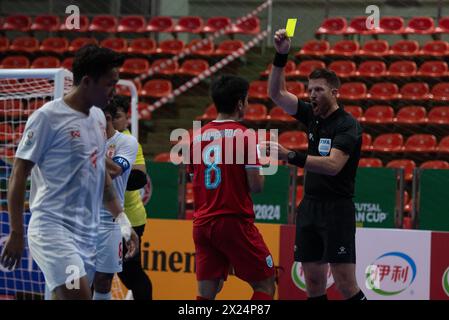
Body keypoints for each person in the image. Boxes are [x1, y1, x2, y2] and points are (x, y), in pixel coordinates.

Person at [0, 45, 138, 300]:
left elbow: (101, 176)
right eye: (110, 84)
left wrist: (122, 220)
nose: (114, 92)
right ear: (87, 81)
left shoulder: (98, 118)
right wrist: (17, 231)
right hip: (52, 230)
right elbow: (19, 173)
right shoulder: (47, 117)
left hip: (87, 233)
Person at [264, 29, 366, 300]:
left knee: (345, 284)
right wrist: (281, 55)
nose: (312, 95)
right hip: (309, 206)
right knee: (313, 282)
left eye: (318, 90)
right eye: (309, 90)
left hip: (337, 210)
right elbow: (276, 93)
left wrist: (290, 156)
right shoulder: (312, 116)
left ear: (335, 92)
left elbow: (333, 165)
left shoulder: (348, 125)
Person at [187, 74, 275, 300]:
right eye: (246, 100)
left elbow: (193, 178)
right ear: (239, 104)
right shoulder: (246, 136)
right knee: (265, 284)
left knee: (207, 292)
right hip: (232, 222)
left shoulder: (195, 137)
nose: (247, 104)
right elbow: (256, 186)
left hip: (202, 223)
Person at [93, 97, 139, 300]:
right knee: (76, 281)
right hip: (80, 220)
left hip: (109, 220)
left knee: (104, 280)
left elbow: (115, 170)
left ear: (107, 118)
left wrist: (87, 148)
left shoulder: (125, 142)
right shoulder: (84, 139)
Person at [111, 96, 153, 300]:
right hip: (104, 218)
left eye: (117, 117)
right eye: (109, 117)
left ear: (127, 118)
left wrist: (108, 179)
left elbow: (139, 178)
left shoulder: (129, 142)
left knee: (130, 273)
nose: (113, 122)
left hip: (130, 219)